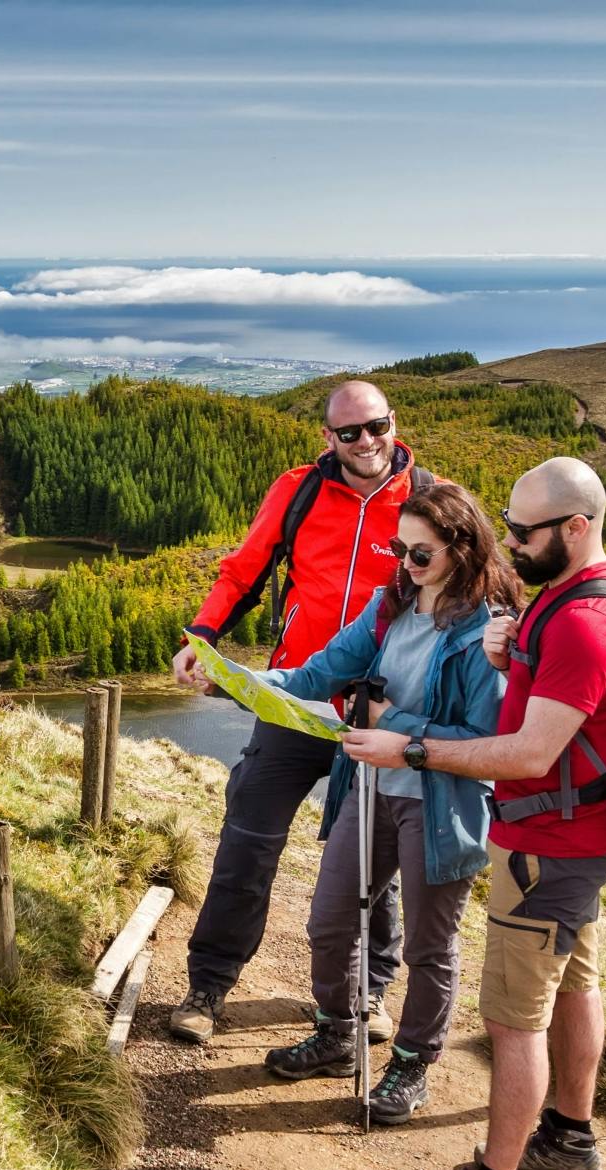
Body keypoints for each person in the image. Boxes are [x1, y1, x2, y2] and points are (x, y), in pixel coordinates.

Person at [343, 457, 606, 1170]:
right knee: (575, 987)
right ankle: (569, 1140)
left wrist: (411, 748)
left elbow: (526, 755)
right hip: (579, 845)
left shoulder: (583, 620)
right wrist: (514, 662)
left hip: (545, 850)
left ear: (576, 527)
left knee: (513, 1023)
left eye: (523, 530)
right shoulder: (585, 599)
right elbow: (564, 719)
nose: (507, 543)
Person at [168, 379, 436, 1043]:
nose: (366, 441)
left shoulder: (427, 498)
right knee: (248, 835)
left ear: (391, 422)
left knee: (375, 859)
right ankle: (207, 985)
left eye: (375, 425)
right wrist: (200, 639)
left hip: (379, 713)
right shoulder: (299, 490)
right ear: (327, 438)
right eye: (349, 432)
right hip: (298, 698)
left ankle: (368, 995)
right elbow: (243, 570)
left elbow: (465, 594)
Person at [250, 483, 518, 1123]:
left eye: (420, 554)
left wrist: (395, 724)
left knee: (431, 944)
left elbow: (487, 740)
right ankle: (338, 1035)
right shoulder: (387, 606)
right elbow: (318, 674)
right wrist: (236, 680)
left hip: (441, 803)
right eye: (398, 549)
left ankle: (411, 1064)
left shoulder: (489, 632)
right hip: (368, 788)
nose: (406, 564)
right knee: (331, 920)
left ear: (462, 547)